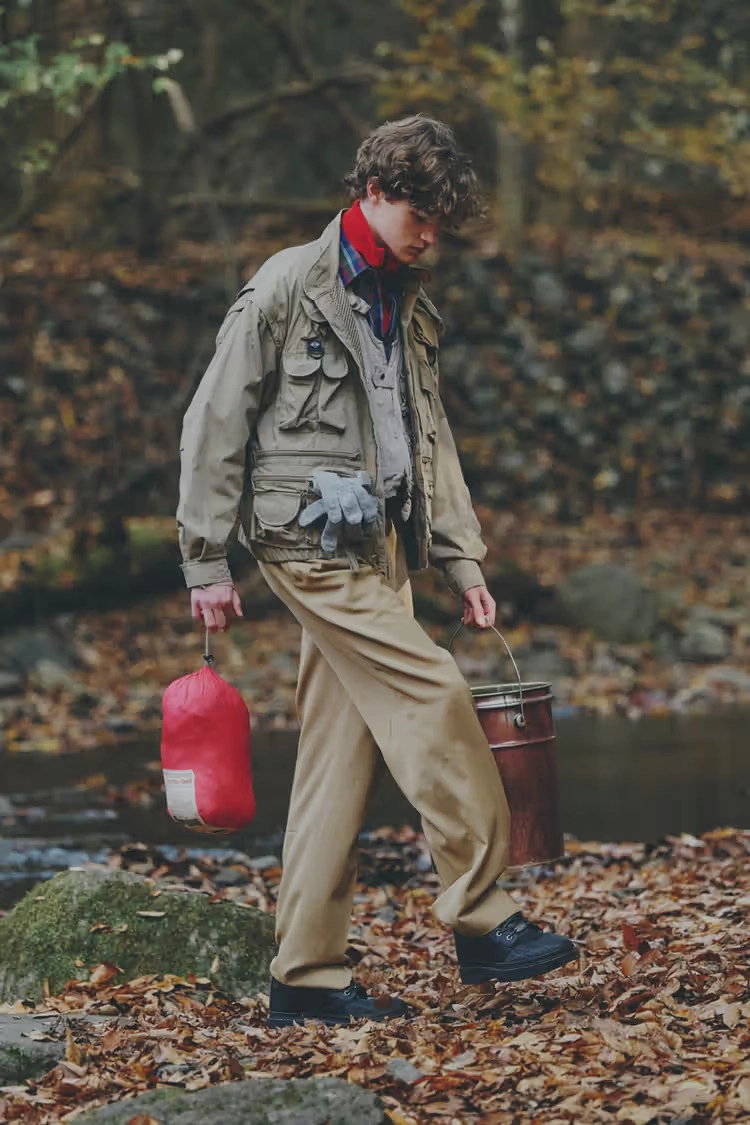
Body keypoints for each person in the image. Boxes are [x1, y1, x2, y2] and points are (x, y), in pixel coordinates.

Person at [177, 115, 577, 1028]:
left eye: (443, 219)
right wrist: (204, 556)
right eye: (420, 214)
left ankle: (303, 976)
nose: (432, 234)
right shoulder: (287, 286)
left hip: (383, 548)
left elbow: (427, 437)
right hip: (305, 545)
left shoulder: (410, 300)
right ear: (372, 192)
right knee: (434, 690)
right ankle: (481, 916)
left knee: (336, 756)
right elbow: (213, 422)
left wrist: (458, 554)